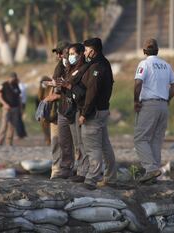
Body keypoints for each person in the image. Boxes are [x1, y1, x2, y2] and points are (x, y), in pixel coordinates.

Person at [134, 39, 174, 183]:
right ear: (158, 51)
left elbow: (138, 82)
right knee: (156, 140)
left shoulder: (144, 64)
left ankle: (151, 169)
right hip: (163, 106)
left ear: (144, 51)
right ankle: (153, 176)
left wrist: (136, 101)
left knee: (141, 139)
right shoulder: (166, 65)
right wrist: (167, 99)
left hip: (149, 105)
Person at [76, 38, 116, 190]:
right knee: (105, 145)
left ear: (92, 51)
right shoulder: (105, 63)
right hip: (103, 109)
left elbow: (92, 92)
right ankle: (111, 178)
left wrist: (84, 113)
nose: (84, 53)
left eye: (86, 50)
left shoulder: (96, 67)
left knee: (92, 146)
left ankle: (92, 179)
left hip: (94, 112)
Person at [58, 43, 91, 182]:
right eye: (69, 54)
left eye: (72, 54)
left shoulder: (84, 68)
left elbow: (83, 91)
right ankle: (78, 169)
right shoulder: (71, 69)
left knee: (81, 143)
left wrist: (68, 85)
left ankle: (84, 172)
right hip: (70, 109)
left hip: (79, 108)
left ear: (80, 54)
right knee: (75, 143)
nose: (70, 57)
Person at [45, 41, 69, 179]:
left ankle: (65, 170)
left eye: (61, 52)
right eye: (58, 53)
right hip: (57, 112)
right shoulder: (60, 67)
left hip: (66, 110)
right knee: (56, 143)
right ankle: (56, 171)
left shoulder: (73, 67)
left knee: (66, 143)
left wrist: (54, 95)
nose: (59, 56)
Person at [0, 72, 22, 146]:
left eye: (15, 78)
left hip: (15, 108)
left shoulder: (16, 85)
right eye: (12, 78)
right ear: (9, 77)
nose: (13, 79)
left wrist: (20, 107)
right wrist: (5, 104)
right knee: (4, 125)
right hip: (6, 109)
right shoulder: (3, 85)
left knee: (12, 126)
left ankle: (9, 143)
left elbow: (19, 96)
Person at [36, 76, 52, 146]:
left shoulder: (51, 89)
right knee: (44, 126)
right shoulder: (41, 91)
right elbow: (38, 102)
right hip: (43, 112)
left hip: (51, 111)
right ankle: (47, 139)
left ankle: (50, 140)